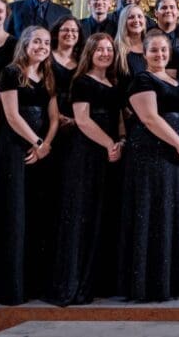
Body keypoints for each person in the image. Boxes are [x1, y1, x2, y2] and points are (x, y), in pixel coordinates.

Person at [0, 26, 59, 305]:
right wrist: (38, 142)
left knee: (34, 213)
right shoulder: (12, 73)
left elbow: (55, 117)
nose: (42, 46)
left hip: (41, 151)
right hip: (15, 149)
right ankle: (9, 285)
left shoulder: (47, 75)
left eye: (46, 42)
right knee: (13, 212)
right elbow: (11, 116)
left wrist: (46, 144)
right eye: (37, 41)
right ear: (25, 43)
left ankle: (32, 281)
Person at [118, 29, 179, 302]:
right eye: (154, 50)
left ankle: (169, 280)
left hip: (178, 156)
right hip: (152, 154)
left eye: (164, 50)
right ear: (144, 53)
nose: (160, 54)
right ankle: (147, 284)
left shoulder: (175, 81)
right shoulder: (142, 79)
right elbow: (150, 119)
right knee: (151, 212)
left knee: (169, 212)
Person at [51, 33, 124, 306]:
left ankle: (98, 281)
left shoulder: (114, 82)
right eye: (100, 50)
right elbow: (82, 120)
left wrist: (121, 142)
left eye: (109, 50)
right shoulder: (81, 82)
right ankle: (75, 281)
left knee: (102, 213)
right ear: (90, 53)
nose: (105, 53)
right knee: (83, 212)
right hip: (86, 152)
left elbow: (118, 118)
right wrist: (109, 144)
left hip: (111, 151)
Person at [115, 4, 147, 80]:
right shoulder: (116, 48)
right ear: (123, 21)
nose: (136, 20)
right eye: (131, 17)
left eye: (139, 16)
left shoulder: (150, 46)